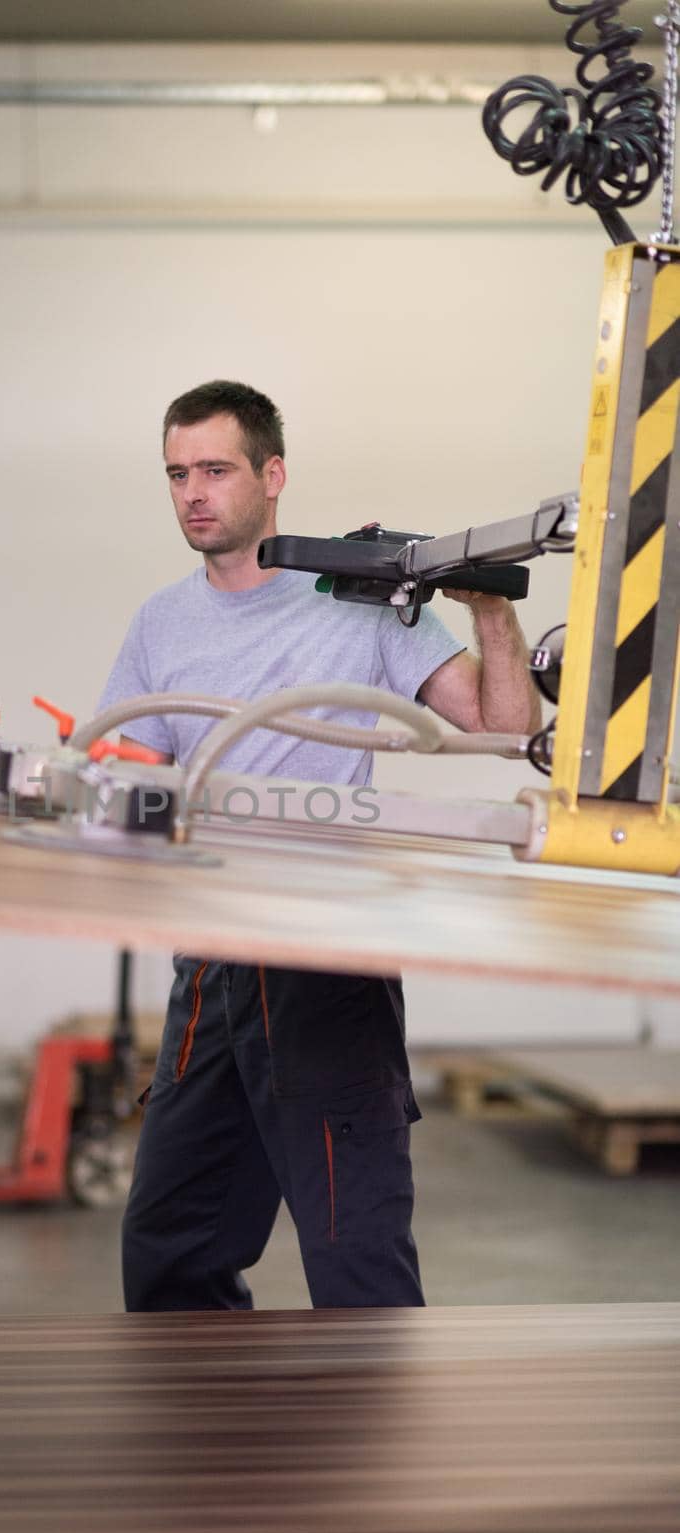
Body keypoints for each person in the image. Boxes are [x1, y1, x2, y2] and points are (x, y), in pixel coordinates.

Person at [98, 380, 541, 1312]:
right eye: (177, 474)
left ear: (274, 475)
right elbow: (132, 779)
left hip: (325, 959)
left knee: (356, 1255)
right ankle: (210, 1443)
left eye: (215, 469)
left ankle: (372, 1457)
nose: (193, 493)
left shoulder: (360, 604)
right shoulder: (158, 623)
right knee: (169, 1247)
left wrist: (487, 608)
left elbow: (504, 730)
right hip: (212, 961)